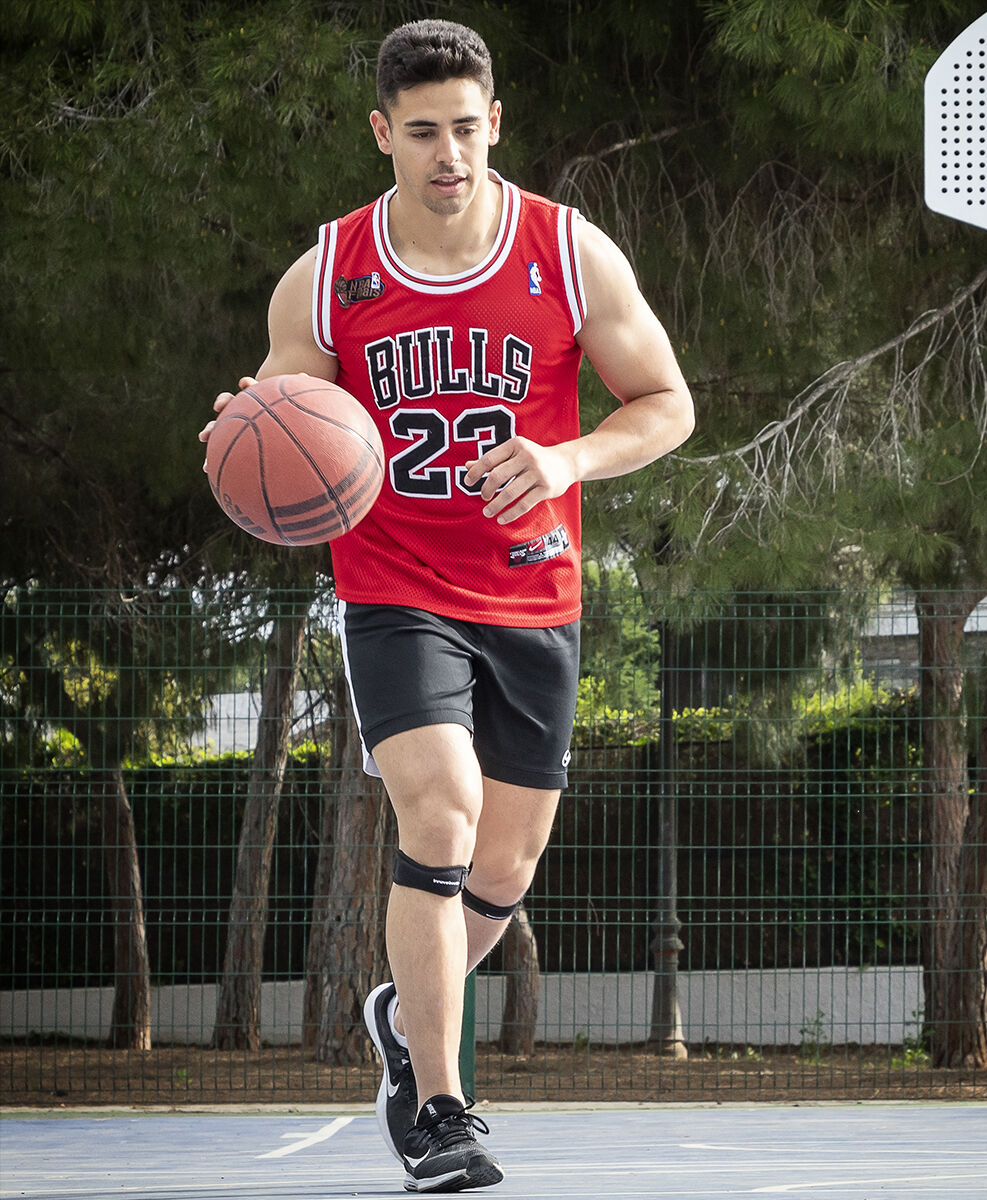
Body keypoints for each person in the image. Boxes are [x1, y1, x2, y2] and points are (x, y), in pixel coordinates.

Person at [200, 17, 693, 1194]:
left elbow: (667, 403)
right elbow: (289, 417)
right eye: (422, 132)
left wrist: (568, 458)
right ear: (383, 133)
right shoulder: (329, 273)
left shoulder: (568, 252)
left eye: (467, 128)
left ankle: (402, 1006)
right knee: (442, 814)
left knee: (506, 868)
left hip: (531, 591)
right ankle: (438, 1106)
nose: (449, 154)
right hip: (395, 589)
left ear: (496, 123)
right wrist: (253, 423)